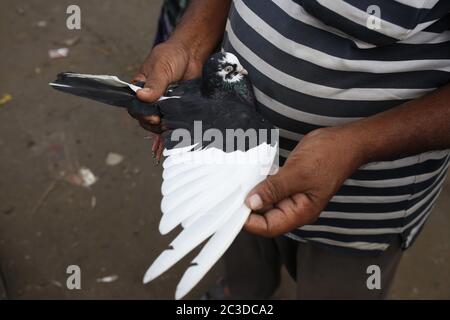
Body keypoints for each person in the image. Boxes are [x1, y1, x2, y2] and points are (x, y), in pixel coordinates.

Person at [131, 0, 450, 299]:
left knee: (334, 287)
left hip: (361, 206)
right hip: (230, 168)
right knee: (238, 252)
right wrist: (192, 40)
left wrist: (359, 145)